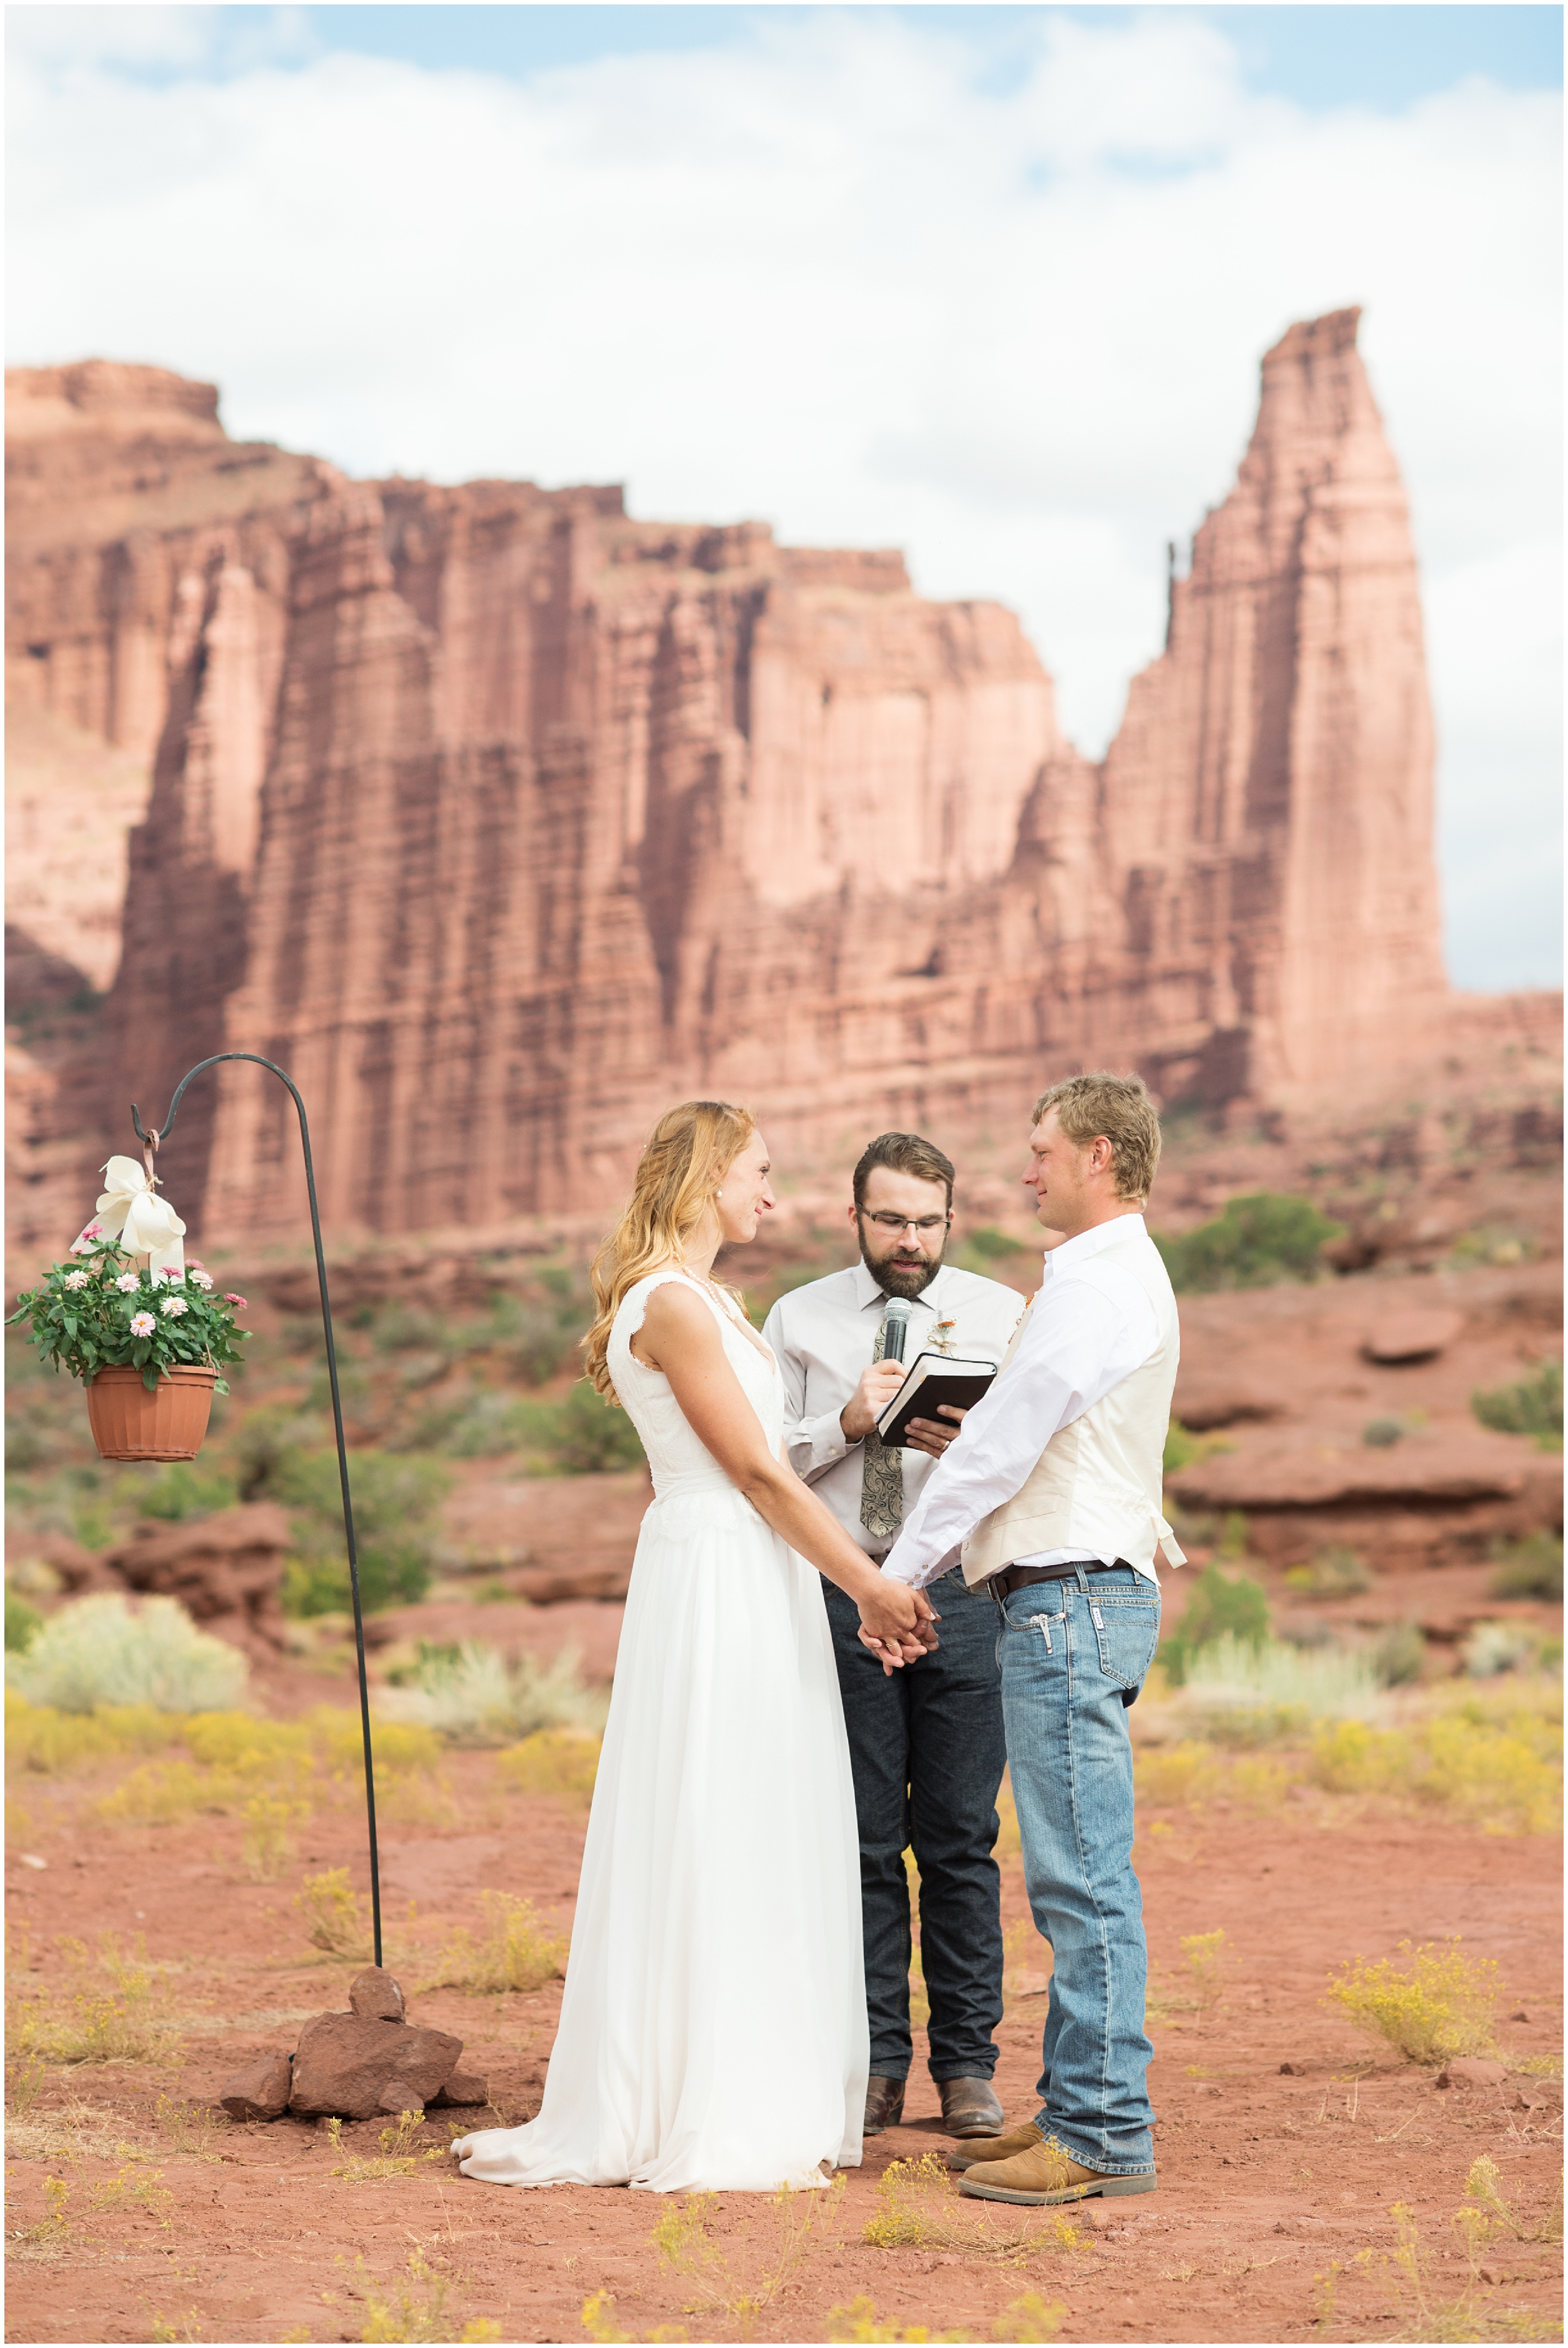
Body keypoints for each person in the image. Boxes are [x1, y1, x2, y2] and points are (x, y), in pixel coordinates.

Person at [453, 1102, 935, 2196]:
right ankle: (704, 2099)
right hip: (720, 1567)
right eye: (760, 1172)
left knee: (754, 1811)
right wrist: (869, 1584)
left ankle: (733, 2076)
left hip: (747, 1567)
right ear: (710, 1172)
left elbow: (770, 1460)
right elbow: (758, 1477)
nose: (774, 1195)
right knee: (719, 1812)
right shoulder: (670, 1304)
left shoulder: (712, 1302)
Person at [877, 1073, 1185, 2207]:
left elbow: (1000, 1452)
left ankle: (1103, 2134)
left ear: (1099, 1153)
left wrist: (890, 1576)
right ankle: (1074, 2110)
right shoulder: (1099, 1282)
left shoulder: (1094, 1289)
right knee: (1073, 1872)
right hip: (1068, 1598)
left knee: (1081, 1879)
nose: (1026, 1169)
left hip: (1070, 1601)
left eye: (1042, 1150)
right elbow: (1037, 1433)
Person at [763, 1133, 1028, 2142]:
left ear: (951, 1219)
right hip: (841, 1589)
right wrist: (846, 1420)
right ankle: (875, 2064)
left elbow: (1041, 1448)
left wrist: (973, 1445)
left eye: (927, 1221)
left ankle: (968, 2067)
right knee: (864, 1842)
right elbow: (763, 1458)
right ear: (856, 1218)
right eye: (890, 1220)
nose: (909, 1239)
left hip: (963, 1594)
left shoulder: (1004, 1313)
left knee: (960, 1838)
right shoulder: (799, 1316)